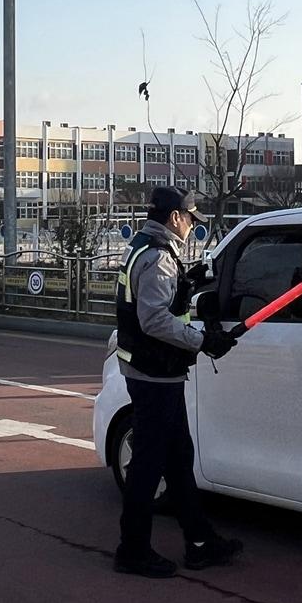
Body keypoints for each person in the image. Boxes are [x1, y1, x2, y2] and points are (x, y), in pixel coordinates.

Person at [113, 185, 241, 578]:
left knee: (177, 458)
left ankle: (200, 541)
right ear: (174, 218)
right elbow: (155, 320)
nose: (192, 225)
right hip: (155, 375)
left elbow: (157, 302)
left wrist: (188, 279)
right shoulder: (157, 258)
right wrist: (203, 341)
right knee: (150, 464)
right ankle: (133, 550)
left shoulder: (143, 249)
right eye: (190, 218)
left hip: (152, 371)